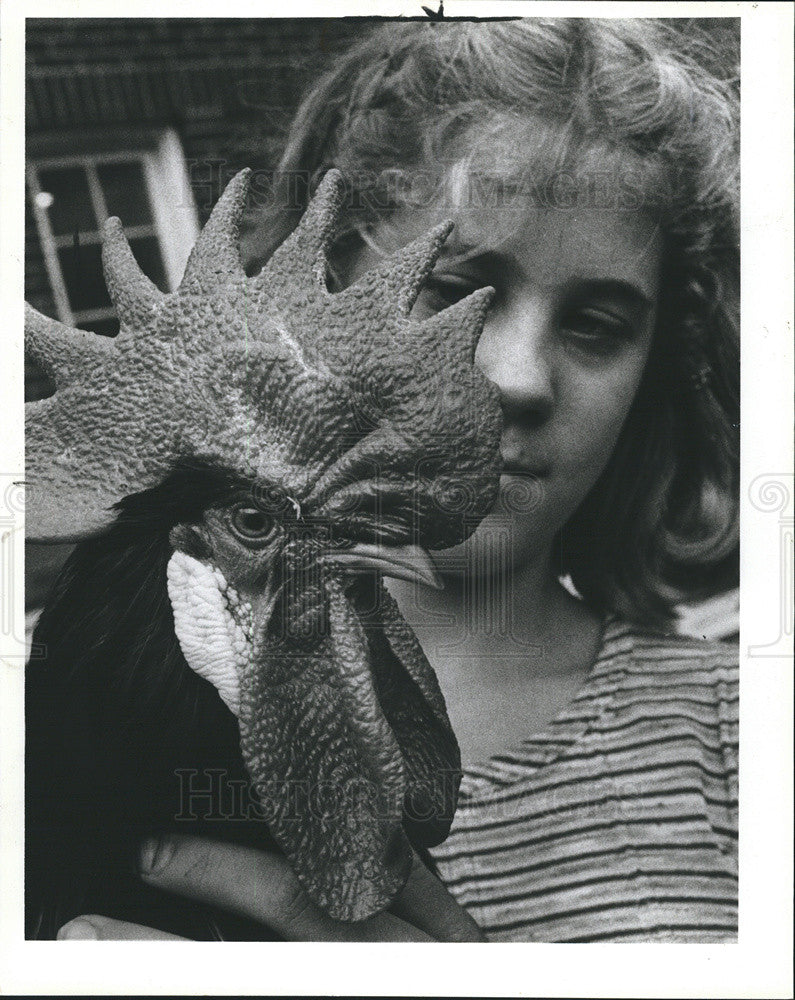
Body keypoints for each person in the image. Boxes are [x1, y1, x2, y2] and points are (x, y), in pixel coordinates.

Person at [56, 17, 739, 942]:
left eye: (596, 325)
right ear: (327, 294)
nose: (519, 377)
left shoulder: (738, 734)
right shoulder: (58, 739)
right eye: (455, 289)